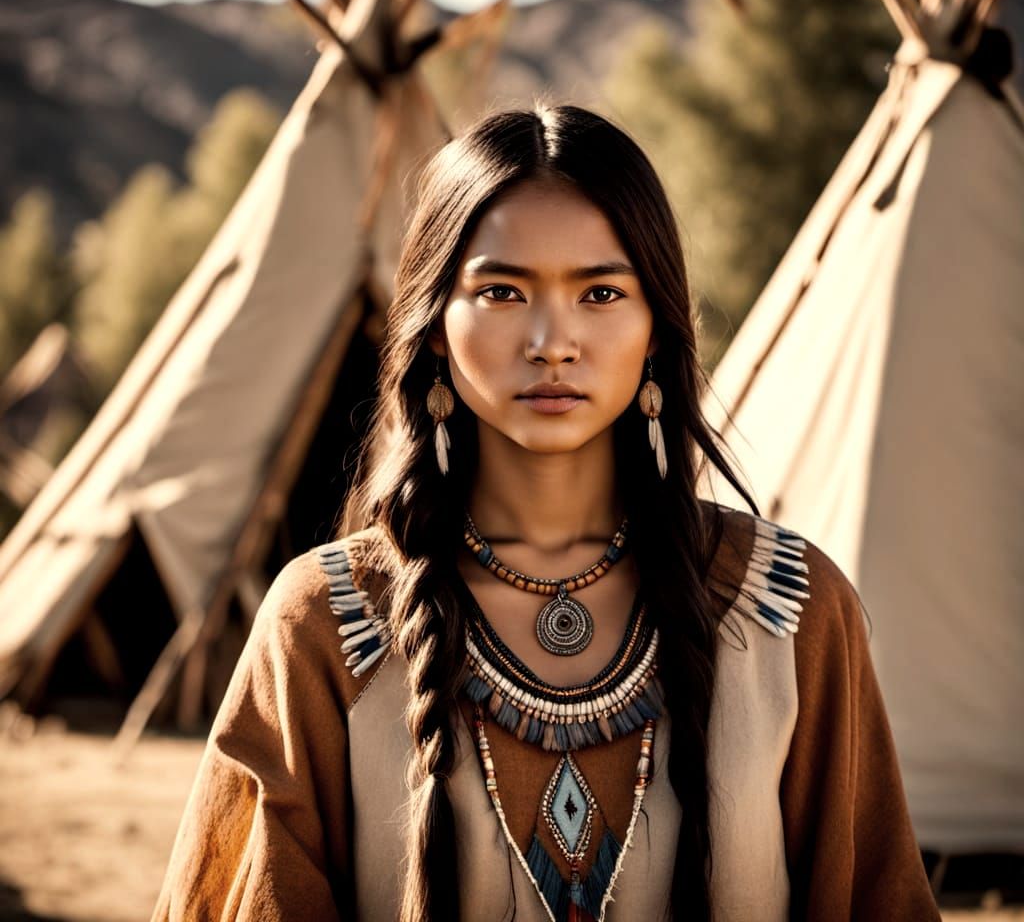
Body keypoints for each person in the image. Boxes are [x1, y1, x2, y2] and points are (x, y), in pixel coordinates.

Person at [152, 105, 941, 922]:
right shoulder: (323, 623)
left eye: (600, 291)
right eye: (501, 290)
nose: (552, 340)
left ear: (656, 331)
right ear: (433, 334)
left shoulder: (792, 614)